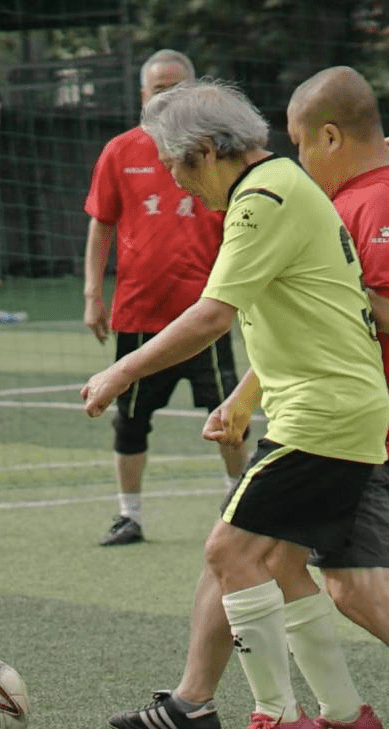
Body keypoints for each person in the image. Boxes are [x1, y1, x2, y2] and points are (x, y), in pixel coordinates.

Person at [107, 67, 389, 729]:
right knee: (260, 554)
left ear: (332, 136)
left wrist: (308, 265)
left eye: (305, 142)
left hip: (352, 409)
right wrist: (249, 393)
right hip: (331, 403)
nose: (299, 156)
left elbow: (387, 305)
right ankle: (220, 699)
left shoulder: (377, 196)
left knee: (326, 577)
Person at [82, 78, 389, 729]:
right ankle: (344, 713)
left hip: (324, 416)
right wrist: (249, 397)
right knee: (278, 562)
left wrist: (121, 370)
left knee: (229, 553)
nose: (180, 188)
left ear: (210, 152)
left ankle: (275, 716)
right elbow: (301, 308)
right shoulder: (284, 184)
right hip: (334, 409)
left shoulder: (261, 200)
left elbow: (213, 315)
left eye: (178, 169)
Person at [83, 49, 248, 546]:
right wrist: (93, 293)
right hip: (138, 312)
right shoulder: (120, 151)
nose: (169, 96)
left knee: (227, 416)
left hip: (206, 315)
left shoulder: (216, 152)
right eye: (160, 89)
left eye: (179, 87)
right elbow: (101, 223)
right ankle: (128, 515)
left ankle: (238, 504)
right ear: (143, 95)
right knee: (130, 419)